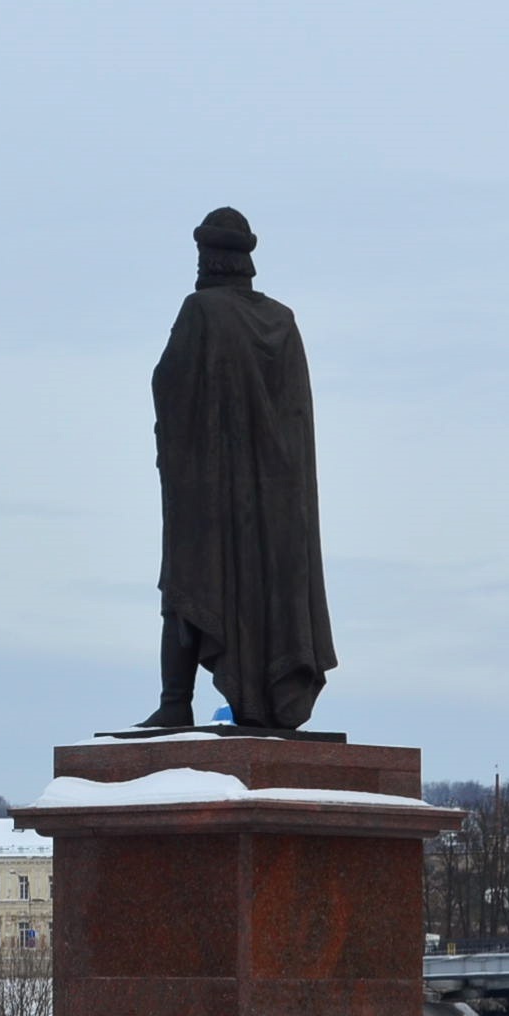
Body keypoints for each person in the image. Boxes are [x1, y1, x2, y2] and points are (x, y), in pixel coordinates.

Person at [140, 207, 337, 731]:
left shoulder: (201, 312)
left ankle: (175, 701)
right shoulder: (283, 321)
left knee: (184, 589)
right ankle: (266, 699)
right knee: (267, 599)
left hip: (208, 493)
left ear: (209, 259)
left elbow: (168, 385)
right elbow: (296, 414)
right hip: (279, 504)